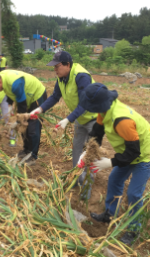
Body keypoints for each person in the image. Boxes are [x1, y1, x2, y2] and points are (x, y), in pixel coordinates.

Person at [77, 83, 150, 245]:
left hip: (145, 154)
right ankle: (109, 214)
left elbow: (134, 152)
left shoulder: (121, 120)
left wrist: (110, 162)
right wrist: (86, 153)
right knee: (115, 180)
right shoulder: (105, 111)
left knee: (134, 193)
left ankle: (134, 229)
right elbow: (96, 135)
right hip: (129, 152)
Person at [30, 51, 97, 196]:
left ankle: (87, 192)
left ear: (67, 65)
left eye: (57, 66)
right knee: (77, 151)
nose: (55, 69)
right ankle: (77, 179)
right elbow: (55, 97)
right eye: (53, 66)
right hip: (81, 118)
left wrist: (67, 119)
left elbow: (85, 103)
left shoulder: (81, 77)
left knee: (89, 155)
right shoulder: (62, 78)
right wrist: (39, 109)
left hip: (95, 119)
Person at [0, 71, 47, 164]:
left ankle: (33, 155)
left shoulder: (15, 83)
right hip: (26, 98)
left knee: (33, 127)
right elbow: (9, 93)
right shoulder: (1, 78)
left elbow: (22, 105)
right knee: (23, 127)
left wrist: (17, 121)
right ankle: (26, 150)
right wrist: (10, 108)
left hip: (37, 96)